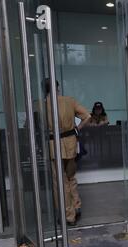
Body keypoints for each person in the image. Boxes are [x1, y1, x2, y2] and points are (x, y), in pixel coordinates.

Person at [45, 79, 91, 226]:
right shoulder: (69, 101)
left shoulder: (42, 104)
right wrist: (77, 129)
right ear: (57, 87)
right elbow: (87, 116)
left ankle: (69, 215)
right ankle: (76, 206)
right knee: (70, 176)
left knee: (60, 181)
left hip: (54, 146)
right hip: (70, 143)